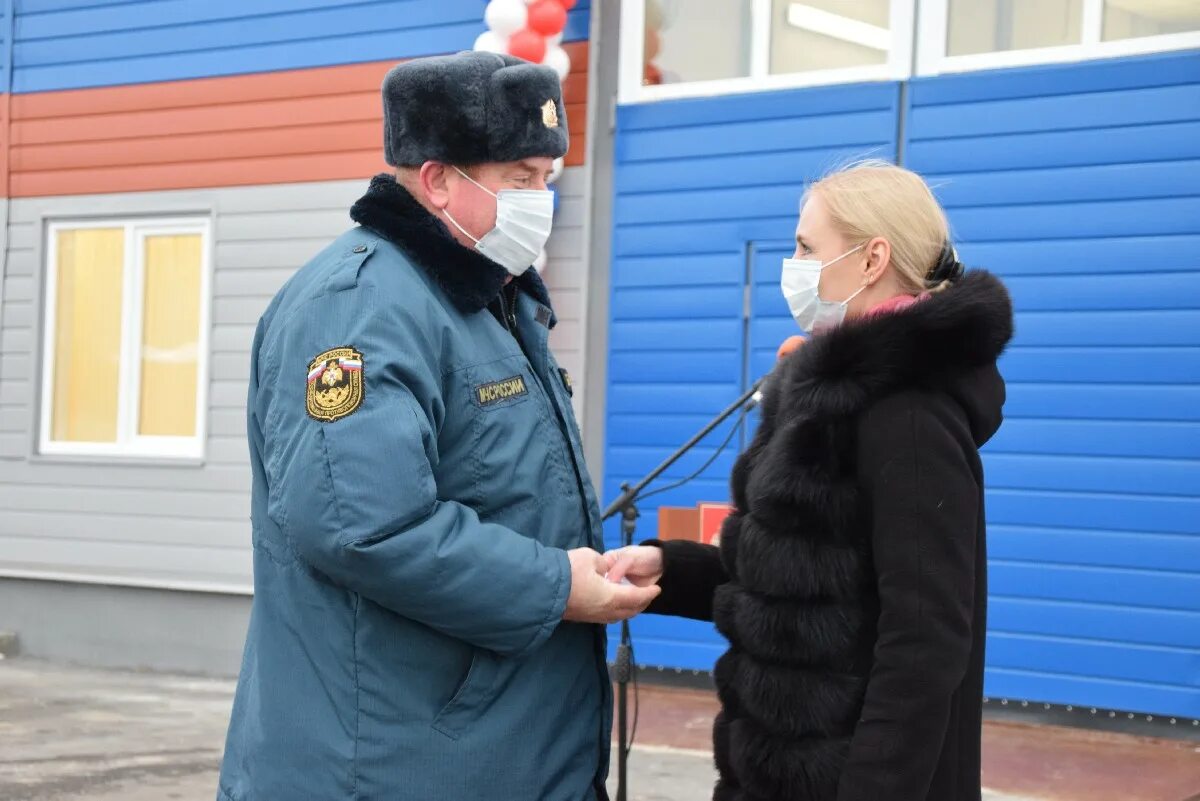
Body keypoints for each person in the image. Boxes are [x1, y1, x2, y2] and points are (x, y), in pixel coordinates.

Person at [217, 51, 660, 801]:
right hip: (389, 766)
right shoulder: (359, 307)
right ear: (437, 180)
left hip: (494, 754)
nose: (541, 201)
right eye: (521, 178)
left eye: (548, 179)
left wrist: (584, 571)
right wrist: (556, 585)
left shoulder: (492, 298)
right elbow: (363, 525)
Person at [607, 161, 1014, 801]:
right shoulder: (824, 399)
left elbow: (924, 642)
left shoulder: (908, 414)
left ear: (872, 258)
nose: (792, 264)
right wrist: (666, 569)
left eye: (806, 246)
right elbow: (801, 583)